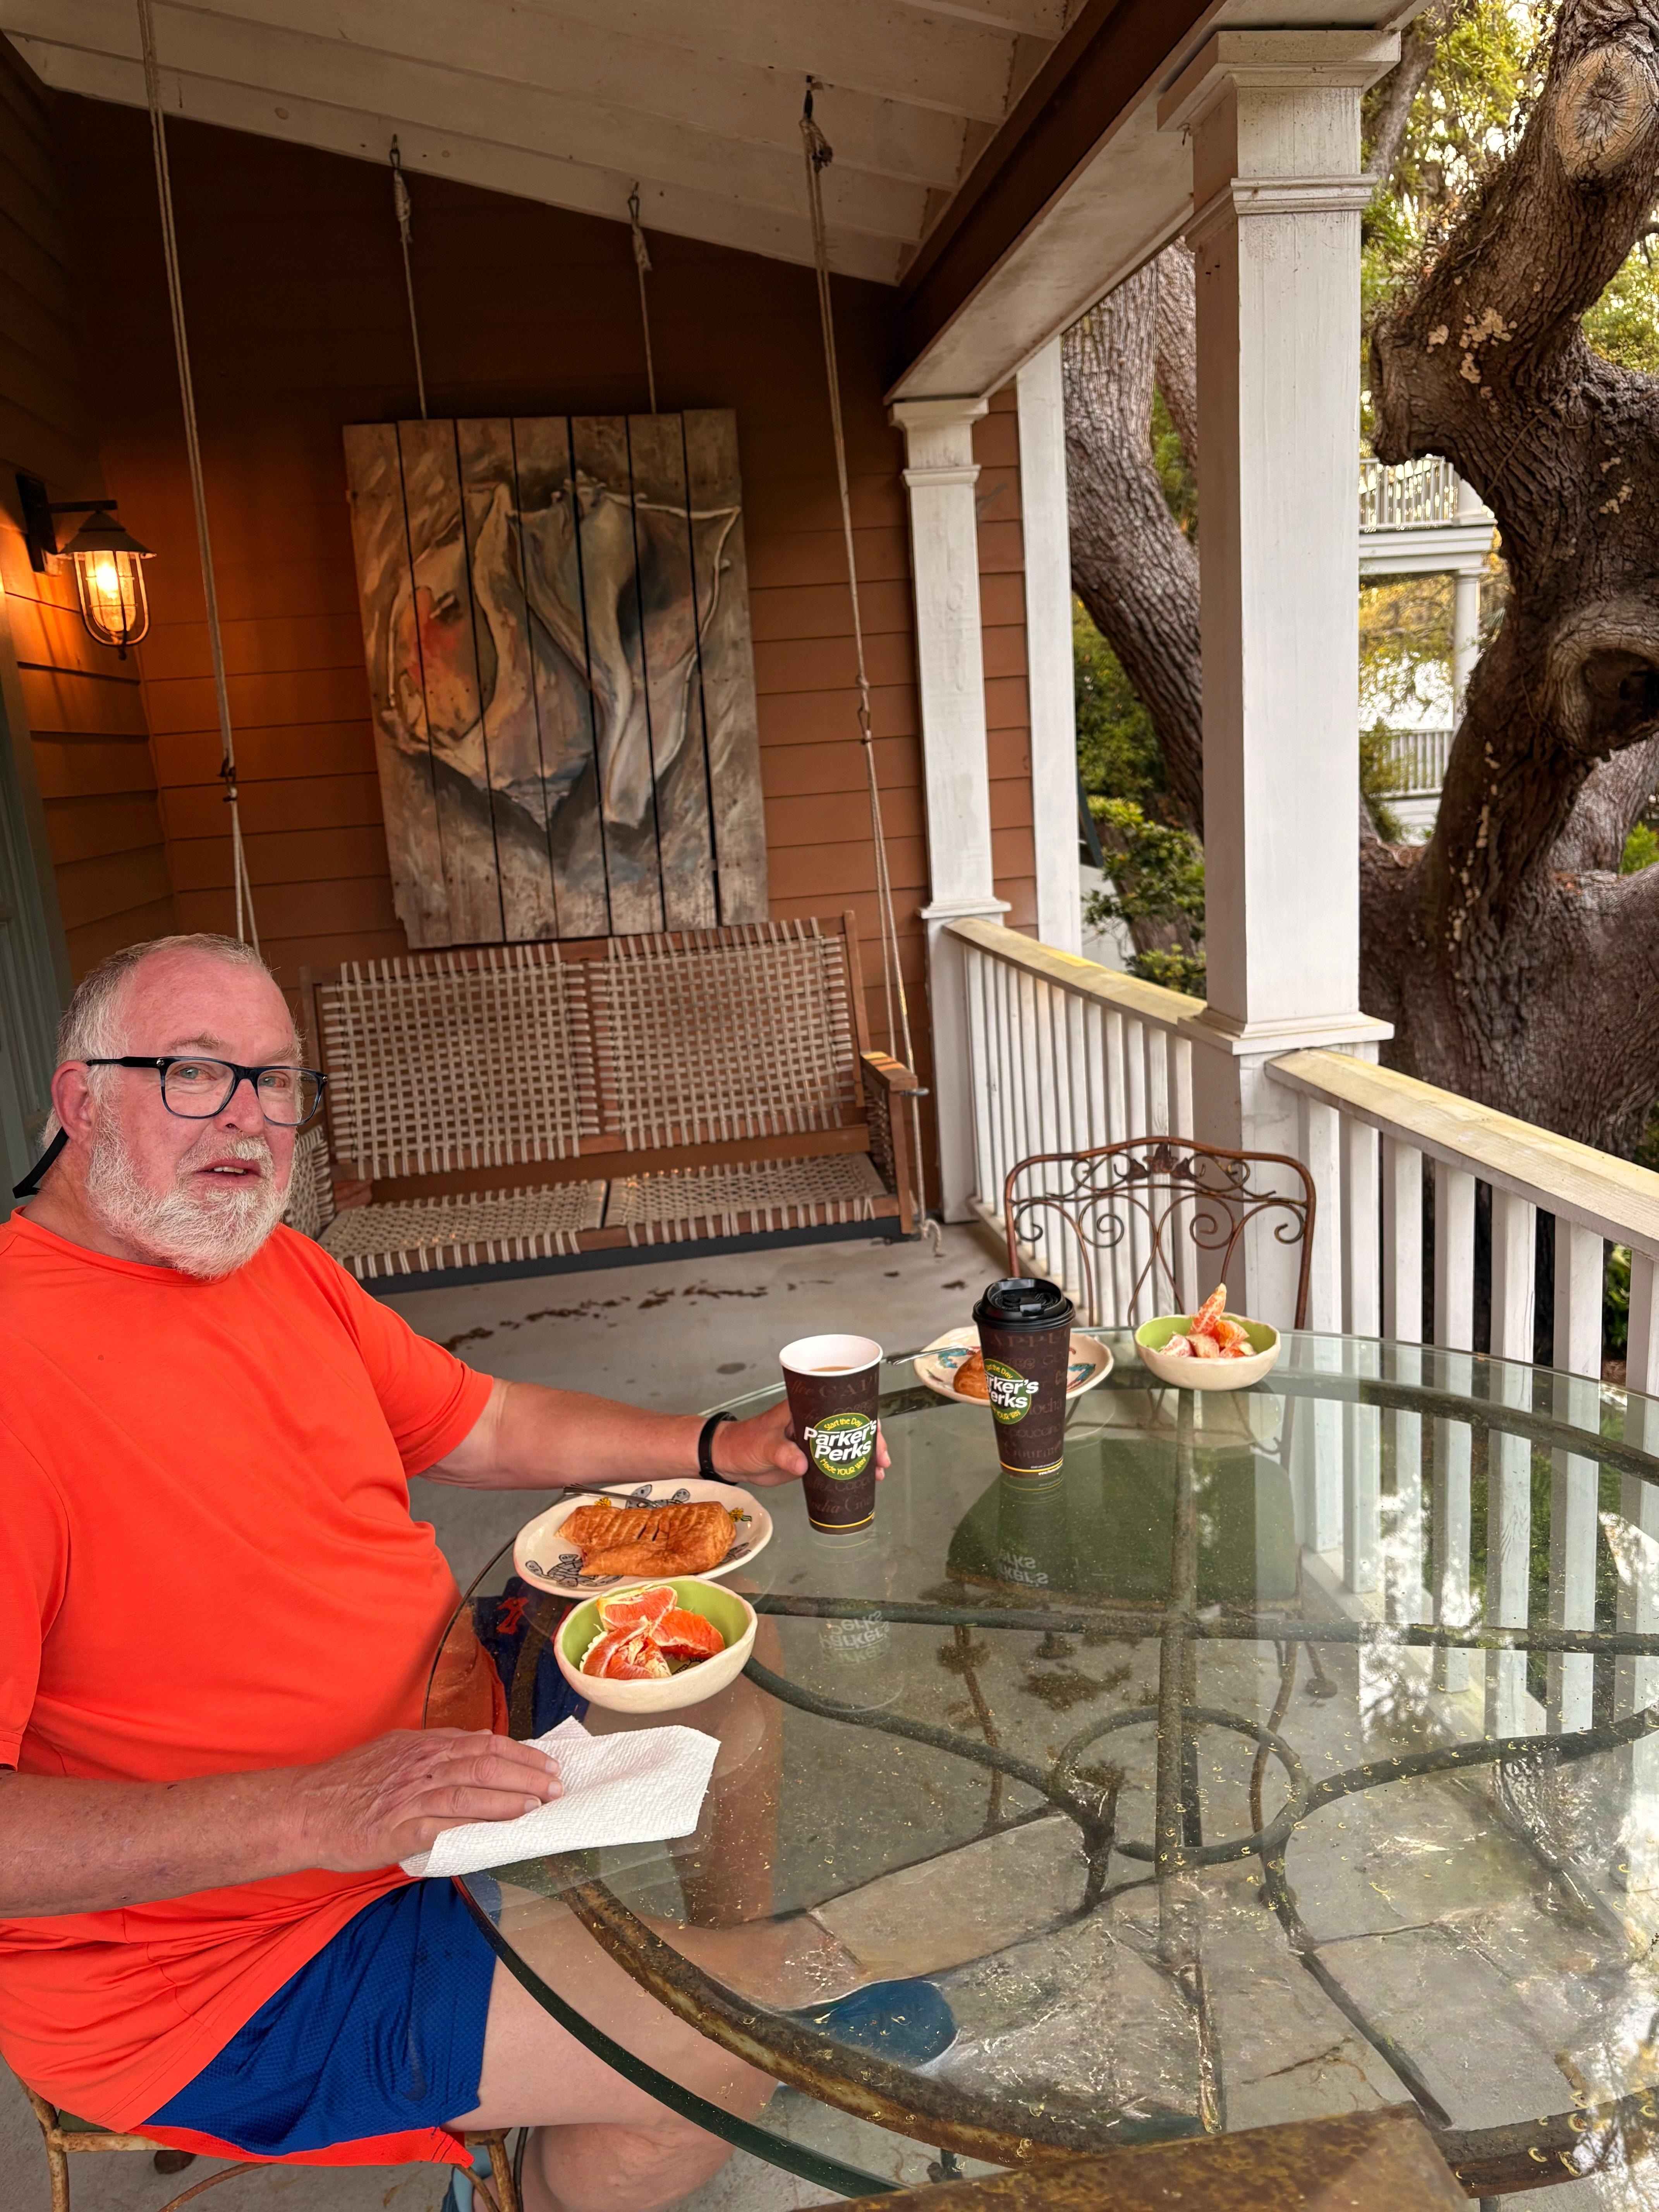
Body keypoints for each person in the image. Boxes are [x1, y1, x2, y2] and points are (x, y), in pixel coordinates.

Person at [0, 932, 880, 2212]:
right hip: (222, 1948)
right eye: (195, 1074)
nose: (249, 1119)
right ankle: (673, 2058)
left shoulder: (272, 1264)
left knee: (729, 1668)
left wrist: (715, 1445)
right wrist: (318, 1808)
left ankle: (699, 1973)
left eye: (277, 1079)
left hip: (442, 1731)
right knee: (752, 2026)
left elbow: (483, 1425)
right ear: (82, 1103)